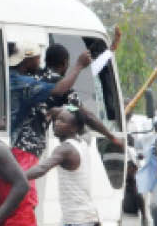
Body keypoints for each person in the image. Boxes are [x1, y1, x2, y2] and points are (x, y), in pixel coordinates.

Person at [8, 41, 93, 207]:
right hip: (27, 147)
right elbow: (77, 108)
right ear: (64, 64)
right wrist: (111, 135)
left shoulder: (33, 76)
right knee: (25, 197)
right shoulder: (50, 83)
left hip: (19, 145)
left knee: (24, 196)